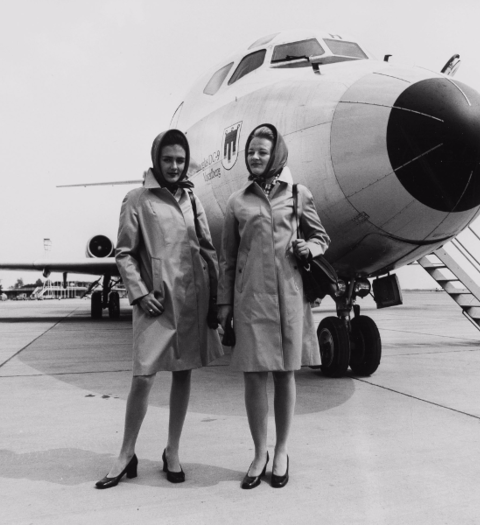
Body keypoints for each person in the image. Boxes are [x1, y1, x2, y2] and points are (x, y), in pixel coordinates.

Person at [95, 129, 223, 489]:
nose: (174, 166)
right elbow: (124, 252)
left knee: (184, 373)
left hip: (191, 301)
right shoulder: (136, 198)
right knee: (143, 377)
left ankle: (172, 451)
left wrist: (215, 299)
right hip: (155, 302)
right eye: (168, 159)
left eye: (180, 160)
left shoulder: (192, 200)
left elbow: (207, 250)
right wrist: (138, 293)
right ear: (156, 159)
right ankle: (126, 453)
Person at [217, 123, 330, 489]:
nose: (255, 157)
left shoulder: (299, 195)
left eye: (262, 152)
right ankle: (258, 452)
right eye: (251, 152)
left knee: (285, 374)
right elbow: (227, 259)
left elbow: (321, 238)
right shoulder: (238, 201)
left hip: (289, 297)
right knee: (253, 377)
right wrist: (223, 305)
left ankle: (281, 451)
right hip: (250, 300)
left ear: (276, 155)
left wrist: (308, 248)